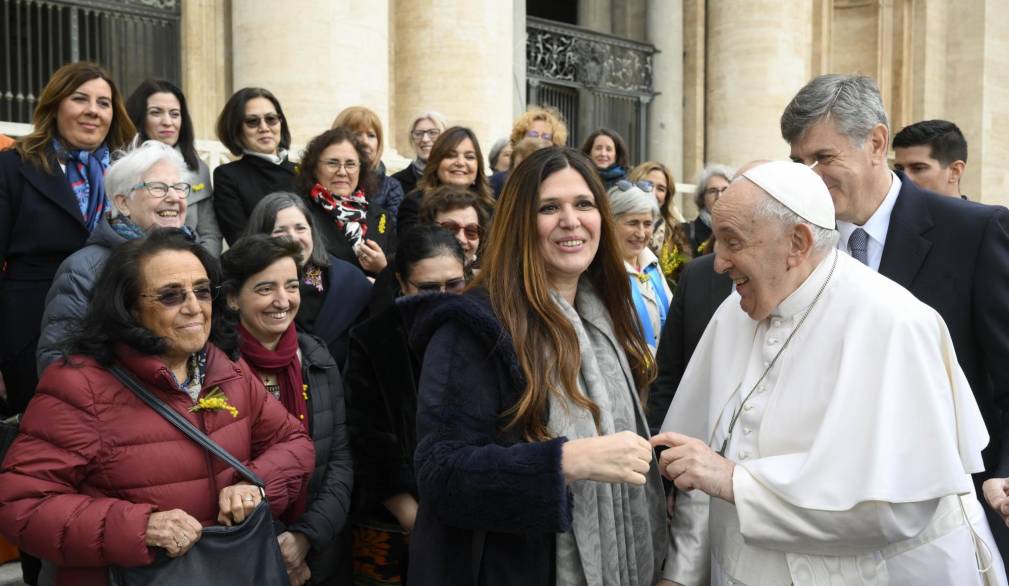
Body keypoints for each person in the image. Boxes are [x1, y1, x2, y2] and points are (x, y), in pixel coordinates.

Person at [654, 160, 1005, 586]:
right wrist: (681, 575)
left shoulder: (895, 324)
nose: (718, 263)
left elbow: (891, 511)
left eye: (732, 242)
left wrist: (735, 482)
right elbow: (701, 465)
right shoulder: (734, 312)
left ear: (797, 243)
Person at [405, 147, 666, 584]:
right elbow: (441, 473)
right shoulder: (474, 325)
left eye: (584, 204)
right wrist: (566, 460)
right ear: (521, 223)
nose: (571, 220)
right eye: (549, 208)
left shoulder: (605, 318)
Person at [0, 229, 315, 586]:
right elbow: (21, 505)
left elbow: (295, 443)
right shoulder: (79, 385)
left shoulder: (227, 369)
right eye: (170, 296)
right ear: (129, 306)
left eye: (201, 291)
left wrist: (256, 484)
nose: (194, 308)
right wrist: (141, 527)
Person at [783, 74, 1009, 555]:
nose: (808, 176)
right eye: (798, 162)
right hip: (830, 518)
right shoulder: (798, 247)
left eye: (823, 157)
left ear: (876, 143)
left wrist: (1005, 473)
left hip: (951, 513)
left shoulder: (974, 233)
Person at [0, 61, 134, 419]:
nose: (93, 110)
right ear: (55, 105)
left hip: (117, 331)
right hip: (31, 334)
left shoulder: (128, 175)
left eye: (103, 103)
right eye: (80, 98)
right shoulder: (12, 167)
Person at [221, 234, 353, 586]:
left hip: (318, 552)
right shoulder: (215, 370)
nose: (282, 301)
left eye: (291, 286)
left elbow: (339, 459)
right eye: (265, 289)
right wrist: (277, 545)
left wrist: (306, 538)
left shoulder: (317, 358)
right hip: (243, 556)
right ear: (233, 298)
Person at [344, 224, 468, 585]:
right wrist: (416, 520)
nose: (442, 296)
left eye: (454, 284)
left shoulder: (484, 328)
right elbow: (368, 437)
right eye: (428, 288)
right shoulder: (373, 339)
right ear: (400, 281)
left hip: (475, 509)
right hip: (400, 519)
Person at [37, 140, 192, 374]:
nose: (174, 197)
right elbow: (59, 362)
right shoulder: (83, 269)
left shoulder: (197, 260)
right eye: (158, 187)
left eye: (179, 187)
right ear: (123, 203)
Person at [244, 192, 371, 368]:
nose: (293, 238)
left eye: (300, 228)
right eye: (280, 231)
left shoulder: (350, 281)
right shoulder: (244, 288)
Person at [126, 79, 222, 255]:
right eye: (156, 113)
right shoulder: (121, 167)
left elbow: (210, 233)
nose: (168, 122)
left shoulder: (198, 168)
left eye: (175, 114)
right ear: (140, 117)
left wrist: (204, 268)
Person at [296, 127, 395, 278]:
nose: (342, 172)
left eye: (350, 164)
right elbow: (301, 272)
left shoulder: (380, 215)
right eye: (332, 163)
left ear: (360, 169)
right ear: (314, 168)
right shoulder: (299, 214)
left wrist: (383, 269)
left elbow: (400, 280)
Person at [212, 87, 297, 244]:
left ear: (281, 123)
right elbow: (240, 240)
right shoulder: (228, 176)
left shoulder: (302, 171)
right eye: (252, 121)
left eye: (271, 119)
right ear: (237, 130)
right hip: (266, 264)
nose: (264, 128)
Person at [607, 180, 672, 355]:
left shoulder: (652, 265)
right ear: (610, 222)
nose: (641, 233)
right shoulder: (603, 274)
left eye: (647, 223)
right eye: (633, 223)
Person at [396, 126, 493, 236]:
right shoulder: (415, 205)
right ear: (436, 163)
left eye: (469, 157)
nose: (461, 162)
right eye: (451, 156)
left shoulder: (488, 208)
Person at [333, 105, 405, 219]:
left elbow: (391, 231)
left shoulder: (391, 188)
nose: (365, 141)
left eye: (371, 135)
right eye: (356, 134)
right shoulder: (325, 181)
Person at [628, 161, 692, 288]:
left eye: (661, 189)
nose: (653, 193)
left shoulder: (676, 232)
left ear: (666, 197)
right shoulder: (616, 225)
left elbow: (685, 279)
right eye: (648, 185)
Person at [490, 106, 569, 196]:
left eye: (546, 137)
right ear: (520, 139)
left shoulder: (561, 181)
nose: (539, 140)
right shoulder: (495, 184)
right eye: (533, 135)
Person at [418, 185, 489, 270]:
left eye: (471, 231)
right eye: (450, 229)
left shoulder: (490, 281)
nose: (461, 239)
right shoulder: (412, 276)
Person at [893, 119, 968, 199]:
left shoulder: (979, 211)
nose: (904, 178)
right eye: (899, 169)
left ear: (955, 171)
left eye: (918, 168)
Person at [391, 111, 448, 196]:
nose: (425, 139)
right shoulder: (395, 183)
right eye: (418, 134)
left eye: (433, 133)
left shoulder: (456, 178)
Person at [687, 163, 733, 256]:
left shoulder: (742, 230)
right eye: (712, 191)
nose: (719, 196)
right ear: (702, 198)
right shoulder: (685, 233)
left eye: (725, 190)